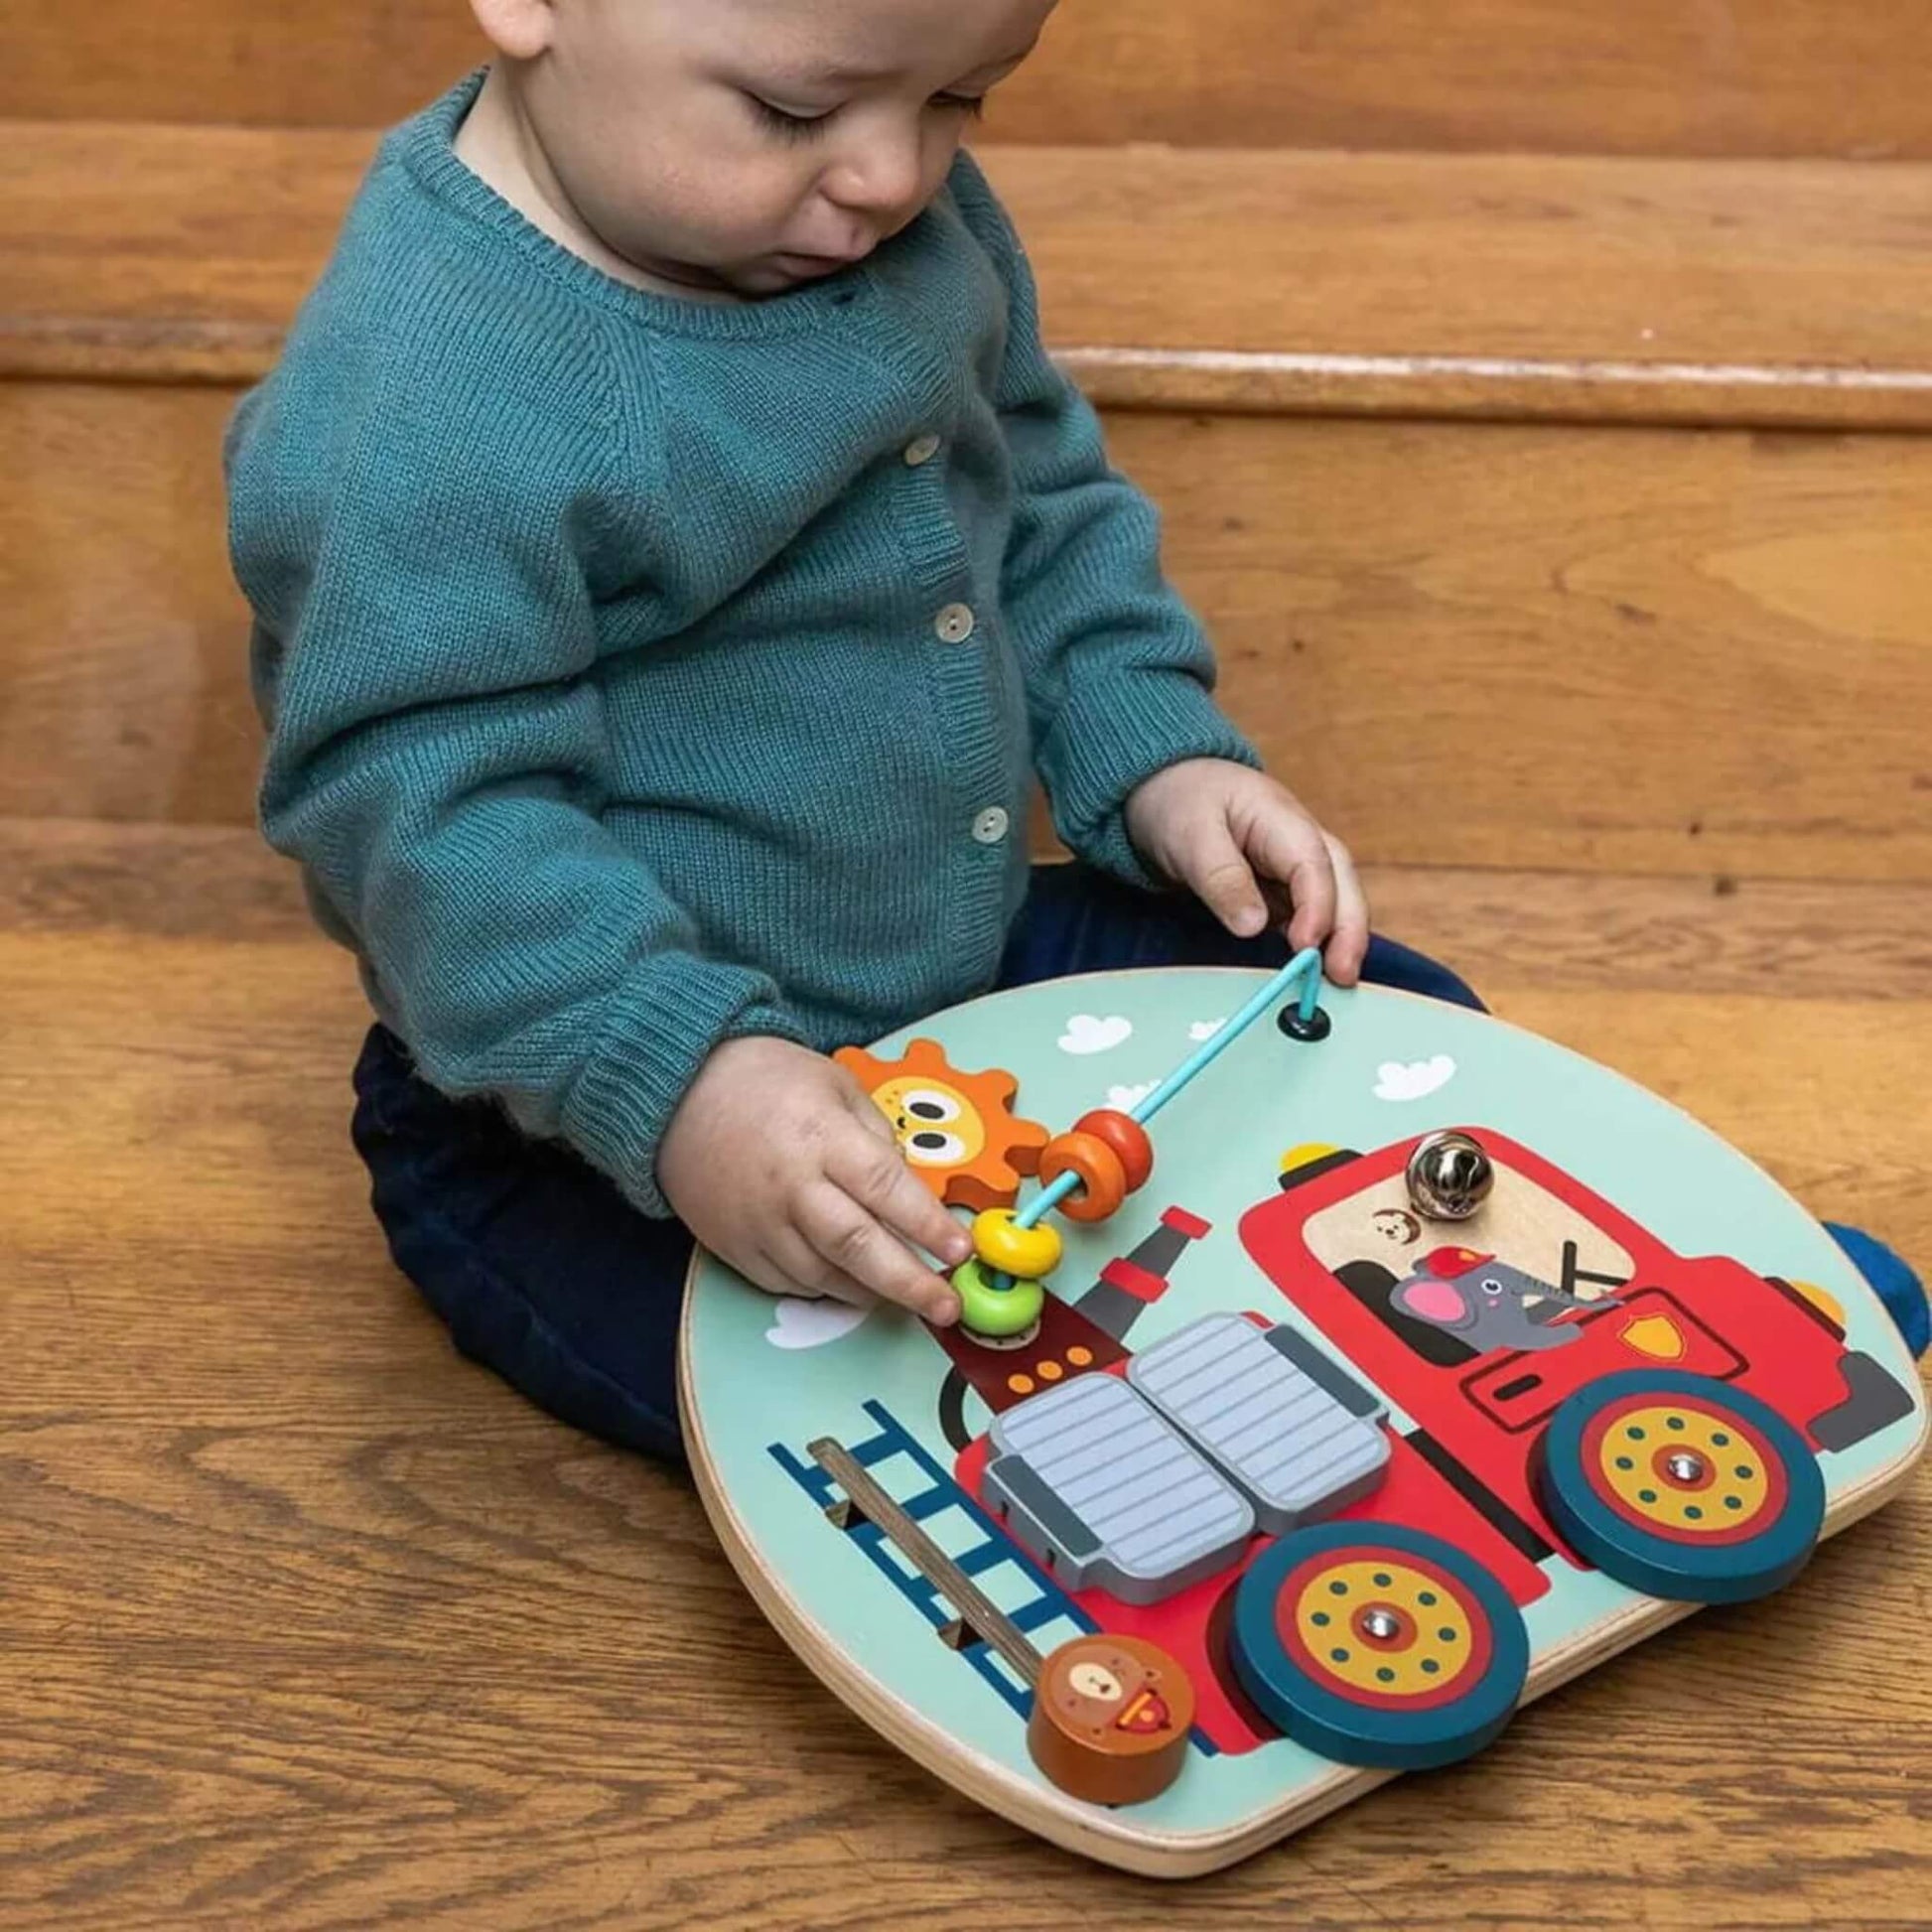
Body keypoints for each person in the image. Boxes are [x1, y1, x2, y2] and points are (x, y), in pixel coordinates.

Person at [225, 0, 1926, 1463]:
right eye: (799, 109)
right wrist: (682, 1088)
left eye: (964, 93)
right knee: (892, 1380)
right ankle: (1293, 1427)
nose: (895, 175)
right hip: (583, 1110)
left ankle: (1627, 1315)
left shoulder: (876, 219)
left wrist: (1156, 751)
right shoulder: (424, 407)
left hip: (956, 980)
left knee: (1373, 1011)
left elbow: (1030, 497)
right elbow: (425, 809)